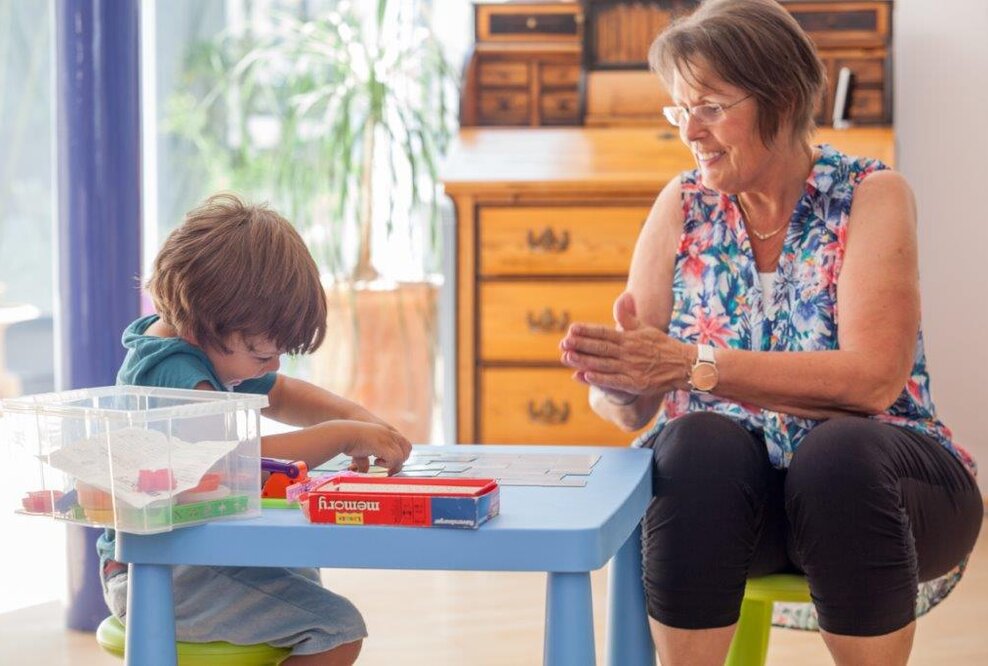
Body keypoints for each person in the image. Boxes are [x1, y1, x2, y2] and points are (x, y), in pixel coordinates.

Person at [559, 1, 982, 664]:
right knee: (693, 441)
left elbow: (873, 379)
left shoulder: (870, 196)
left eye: (710, 107)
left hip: (882, 494)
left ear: (781, 98)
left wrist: (692, 363)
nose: (690, 131)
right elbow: (635, 399)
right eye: (680, 110)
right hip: (736, 507)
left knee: (837, 456)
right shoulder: (682, 205)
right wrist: (621, 382)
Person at [97, 193, 412, 665]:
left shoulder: (204, 343)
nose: (272, 363)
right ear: (203, 323)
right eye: (261, 354)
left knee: (300, 571)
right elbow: (237, 461)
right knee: (338, 630)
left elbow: (281, 393)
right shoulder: (170, 372)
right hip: (156, 572)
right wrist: (342, 434)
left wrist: (364, 421)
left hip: (188, 555)